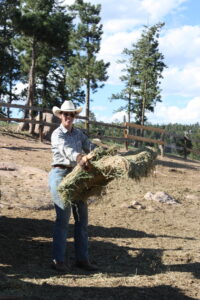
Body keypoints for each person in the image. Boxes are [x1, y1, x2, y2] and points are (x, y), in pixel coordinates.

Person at [48, 100, 97, 273]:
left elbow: (90, 146)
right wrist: (79, 158)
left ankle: (82, 259)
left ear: (75, 116)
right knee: (63, 218)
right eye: (65, 114)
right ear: (60, 115)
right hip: (60, 175)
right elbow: (65, 150)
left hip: (77, 175)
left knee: (82, 219)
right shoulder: (57, 134)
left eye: (72, 114)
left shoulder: (79, 134)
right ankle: (58, 260)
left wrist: (101, 153)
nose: (68, 117)